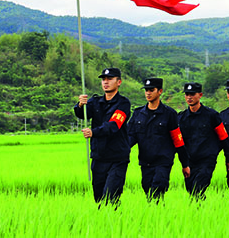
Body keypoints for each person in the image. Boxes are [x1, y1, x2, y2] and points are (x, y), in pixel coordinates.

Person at [74, 67, 131, 205]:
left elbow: (114, 125)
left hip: (117, 159)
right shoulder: (95, 102)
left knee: (111, 197)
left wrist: (94, 132)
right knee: (98, 198)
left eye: (110, 79)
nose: (106, 82)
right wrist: (80, 105)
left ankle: (117, 222)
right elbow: (82, 114)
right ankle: (104, 224)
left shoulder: (123, 103)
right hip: (99, 157)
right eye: (104, 80)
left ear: (119, 82)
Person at [128, 77, 191, 201]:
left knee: (157, 190)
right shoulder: (138, 113)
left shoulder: (169, 114)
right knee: (148, 192)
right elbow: (130, 137)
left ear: (160, 91)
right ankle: (157, 217)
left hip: (163, 162)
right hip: (145, 162)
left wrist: (185, 164)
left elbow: (177, 140)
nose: (148, 93)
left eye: (151, 90)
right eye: (146, 90)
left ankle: (158, 215)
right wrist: (118, 150)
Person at [178, 82, 229, 198]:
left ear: (200, 95)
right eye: (187, 94)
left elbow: (223, 137)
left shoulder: (212, 115)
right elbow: (176, 141)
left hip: (206, 161)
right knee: (191, 192)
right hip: (189, 161)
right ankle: (201, 212)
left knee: (197, 189)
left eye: (192, 94)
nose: (189, 97)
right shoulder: (180, 117)